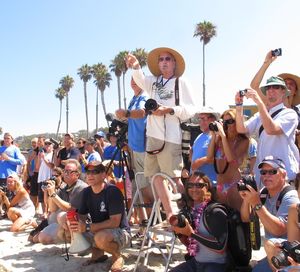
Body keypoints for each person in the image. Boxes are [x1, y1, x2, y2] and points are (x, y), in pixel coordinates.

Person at [126, 47, 198, 220]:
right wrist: (135, 67)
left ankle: (190, 212)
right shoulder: (153, 81)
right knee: (155, 177)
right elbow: (140, 80)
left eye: (168, 59)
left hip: (171, 137)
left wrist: (169, 110)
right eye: (161, 59)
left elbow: (191, 109)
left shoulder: (181, 82)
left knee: (174, 178)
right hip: (152, 137)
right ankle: (171, 215)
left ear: (174, 63)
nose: (164, 62)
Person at [235, 77, 299, 187]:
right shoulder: (261, 114)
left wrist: (259, 103)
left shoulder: (290, 114)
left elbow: (271, 129)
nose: (271, 90)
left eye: (276, 87)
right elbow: (242, 129)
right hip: (264, 175)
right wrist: (239, 106)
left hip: (283, 175)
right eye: (268, 87)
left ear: (283, 91)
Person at [239, 156, 299, 271]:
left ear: (284, 174)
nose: (267, 176)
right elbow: (245, 218)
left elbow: (279, 230)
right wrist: (247, 199)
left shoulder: (290, 196)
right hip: (271, 252)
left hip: (289, 255)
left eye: (272, 172)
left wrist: (256, 203)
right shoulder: (263, 193)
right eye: (264, 172)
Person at [69, 162, 130, 271]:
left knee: (99, 237)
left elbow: (114, 223)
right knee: (68, 224)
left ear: (104, 175)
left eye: (95, 172)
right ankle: (97, 254)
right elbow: (82, 215)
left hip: (120, 232)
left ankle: (117, 256)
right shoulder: (86, 192)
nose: (90, 175)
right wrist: (74, 222)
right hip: (100, 231)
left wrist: (87, 227)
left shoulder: (112, 191)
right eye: (88, 172)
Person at [170, 171, 228, 272]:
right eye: (190, 185)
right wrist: (180, 233)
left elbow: (220, 247)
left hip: (215, 265)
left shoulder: (215, 211)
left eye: (199, 185)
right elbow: (190, 245)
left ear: (208, 187)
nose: (194, 189)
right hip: (196, 263)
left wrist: (192, 234)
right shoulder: (190, 211)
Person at [115, 77, 153, 227]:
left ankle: (151, 226)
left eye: (136, 79)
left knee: (146, 189)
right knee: (137, 187)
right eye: (131, 79)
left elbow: (142, 113)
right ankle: (144, 226)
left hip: (143, 146)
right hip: (133, 147)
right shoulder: (134, 98)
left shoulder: (145, 96)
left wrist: (127, 113)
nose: (132, 81)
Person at [206, 108, 249, 210]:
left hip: (234, 184)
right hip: (220, 184)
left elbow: (230, 159)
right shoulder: (219, 139)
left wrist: (224, 137)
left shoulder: (243, 141)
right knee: (224, 219)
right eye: (224, 122)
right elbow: (209, 157)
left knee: (238, 219)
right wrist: (213, 136)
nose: (227, 125)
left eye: (230, 121)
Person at [37, 159, 87, 244]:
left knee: (62, 216)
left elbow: (71, 208)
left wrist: (53, 194)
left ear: (77, 174)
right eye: (65, 171)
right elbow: (53, 209)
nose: (66, 174)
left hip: (83, 222)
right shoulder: (64, 187)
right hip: (66, 222)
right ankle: (67, 238)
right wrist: (50, 191)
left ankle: (78, 243)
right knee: (42, 238)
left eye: (69, 171)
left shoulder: (81, 187)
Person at [190, 107, 220, 183]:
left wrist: (200, 161)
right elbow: (192, 152)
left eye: (203, 119)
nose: (200, 122)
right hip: (196, 183)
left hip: (211, 184)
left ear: (213, 119)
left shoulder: (218, 136)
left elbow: (222, 158)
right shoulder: (199, 136)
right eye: (199, 119)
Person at [37, 139, 54, 216]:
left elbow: (52, 166)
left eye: (49, 144)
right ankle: (44, 213)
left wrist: (44, 158)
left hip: (49, 178)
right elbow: (37, 167)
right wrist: (39, 157)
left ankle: (48, 213)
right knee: (41, 198)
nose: (47, 145)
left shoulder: (53, 154)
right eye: (46, 144)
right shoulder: (43, 154)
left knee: (49, 198)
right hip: (41, 178)